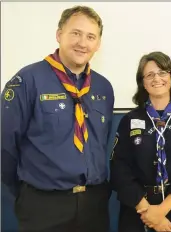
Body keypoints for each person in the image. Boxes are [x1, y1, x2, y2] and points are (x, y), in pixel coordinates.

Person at [1, 5, 114, 232]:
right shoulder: (27, 80)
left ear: (98, 45)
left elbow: (103, 143)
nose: (82, 43)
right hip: (44, 205)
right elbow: (5, 147)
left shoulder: (103, 87)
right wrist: (25, 193)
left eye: (90, 37)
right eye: (75, 33)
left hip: (94, 204)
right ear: (59, 34)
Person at [110, 51, 171, 232]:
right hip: (137, 211)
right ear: (143, 83)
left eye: (162, 72)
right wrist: (147, 211)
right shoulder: (129, 121)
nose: (156, 78)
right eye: (149, 74)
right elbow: (119, 168)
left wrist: (161, 211)